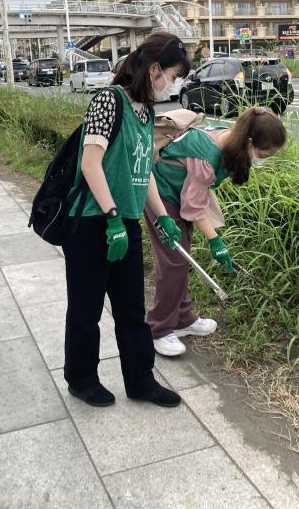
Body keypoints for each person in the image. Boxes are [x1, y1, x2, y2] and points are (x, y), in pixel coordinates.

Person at [62, 32, 191, 408]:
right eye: (173, 73)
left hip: (127, 223)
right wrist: (111, 216)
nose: (175, 81)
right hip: (91, 224)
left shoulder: (145, 111)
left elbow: (143, 167)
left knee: (132, 310)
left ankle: (140, 380)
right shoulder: (108, 100)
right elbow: (90, 163)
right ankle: (81, 379)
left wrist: (163, 217)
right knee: (85, 310)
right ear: (154, 68)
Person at [144, 106, 287, 356]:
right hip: (162, 196)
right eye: (264, 153)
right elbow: (194, 207)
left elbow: (193, 200)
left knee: (179, 261)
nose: (264, 158)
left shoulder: (228, 138)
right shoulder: (207, 158)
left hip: (179, 196)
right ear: (250, 141)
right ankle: (159, 329)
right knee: (174, 263)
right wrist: (216, 243)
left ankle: (183, 318)